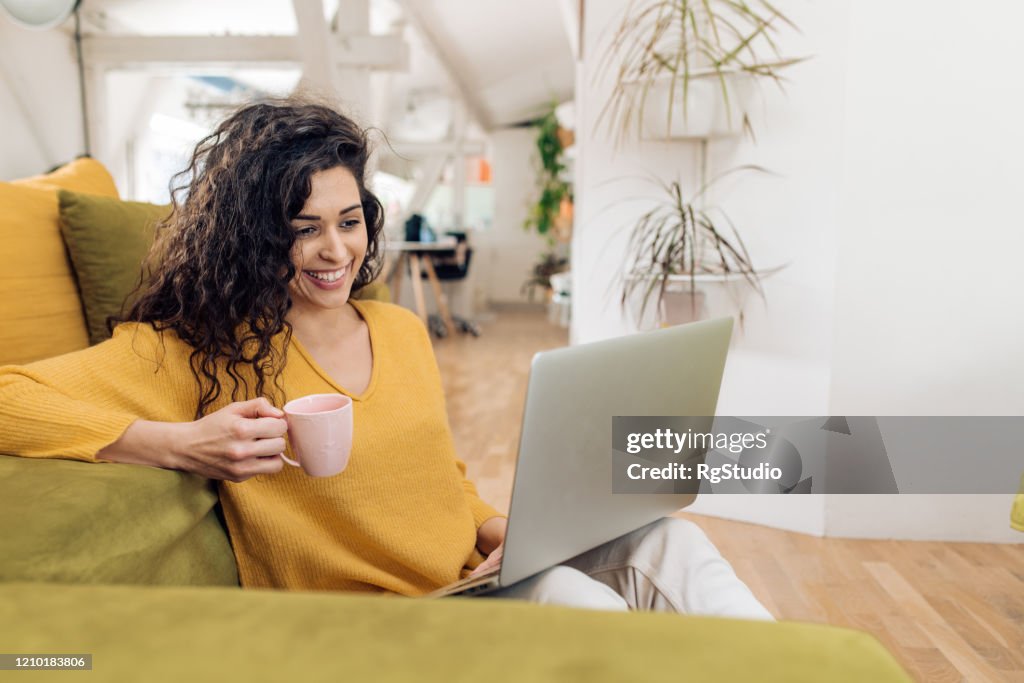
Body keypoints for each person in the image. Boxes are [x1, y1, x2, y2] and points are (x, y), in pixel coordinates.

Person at [0, 98, 771, 619]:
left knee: (672, 539)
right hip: (401, 616)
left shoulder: (399, 328)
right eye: (303, 228)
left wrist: (502, 526)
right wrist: (176, 442)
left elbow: (444, 479)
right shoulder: (195, 351)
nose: (334, 250)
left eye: (348, 220)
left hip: (476, 572)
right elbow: (11, 395)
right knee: (577, 599)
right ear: (255, 238)